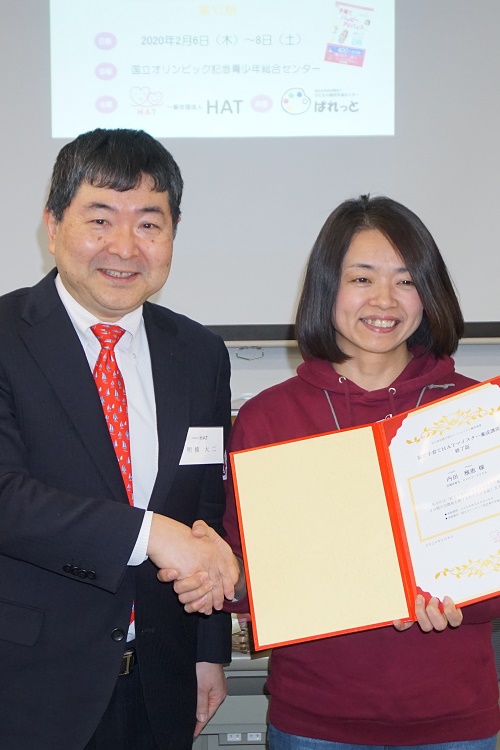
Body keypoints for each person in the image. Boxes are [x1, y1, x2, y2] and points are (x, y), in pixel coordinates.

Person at [176, 195, 500, 749]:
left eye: (406, 280)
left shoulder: (473, 415)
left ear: (429, 292)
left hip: (455, 721)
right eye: (362, 278)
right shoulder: (269, 417)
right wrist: (217, 573)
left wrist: (467, 600)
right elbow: (249, 576)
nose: (384, 300)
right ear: (328, 288)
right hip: (314, 722)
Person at [0, 127, 240, 750]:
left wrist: (207, 650)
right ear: (53, 224)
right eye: (100, 219)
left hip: (159, 684)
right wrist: (149, 532)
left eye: (149, 224)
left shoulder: (200, 353)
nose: (125, 247)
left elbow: (205, 509)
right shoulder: (4, 337)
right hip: (27, 687)